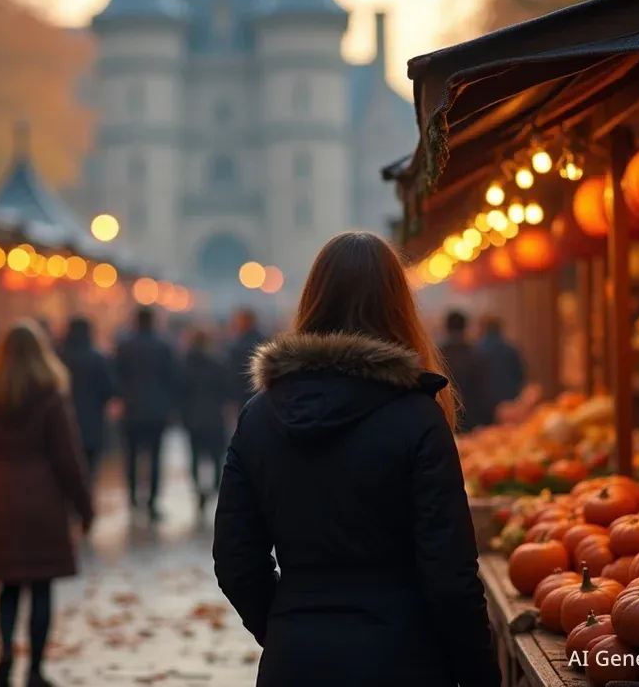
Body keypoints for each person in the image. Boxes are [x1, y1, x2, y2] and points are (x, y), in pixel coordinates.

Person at [213, 232, 500, 687]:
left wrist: (288, 629)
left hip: (296, 662)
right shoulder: (418, 417)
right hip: (404, 660)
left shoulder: (259, 416)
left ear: (312, 300)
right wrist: (481, 675)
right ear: (398, 307)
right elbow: (450, 574)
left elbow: (235, 558)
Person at [0, 321, 92, 687]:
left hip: (0, 495)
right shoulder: (51, 393)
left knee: (7, 585)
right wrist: (84, 507)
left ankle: (5, 651)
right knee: (40, 586)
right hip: (43, 499)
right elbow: (67, 457)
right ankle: (35, 669)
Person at [114, 306, 178, 521]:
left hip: (131, 409)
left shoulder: (124, 346)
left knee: (131, 455)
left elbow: (116, 376)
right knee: (155, 456)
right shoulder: (164, 346)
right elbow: (172, 378)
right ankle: (152, 501)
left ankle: (133, 497)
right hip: (157, 410)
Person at [56, 316, 116, 489]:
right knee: (89, 470)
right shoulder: (96, 358)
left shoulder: (59, 357)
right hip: (91, 423)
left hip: (63, 423)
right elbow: (109, 389)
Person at [180, 328, 234, 515]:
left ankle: (198, 490)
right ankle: (213, 488)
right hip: (214, 417)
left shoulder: (185, 366)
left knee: (195, 457)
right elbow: (228, 391)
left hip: (193, 418)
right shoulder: (218, 364)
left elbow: (180, 393)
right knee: (217, 457)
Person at [440, 309, 497, 431]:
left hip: (445, 420)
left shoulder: (439, 355)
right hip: (473, 421)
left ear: (446, 328)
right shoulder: (475, 355)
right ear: (465, 328)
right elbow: (483, 391)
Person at [476, 316, 526, 405]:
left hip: (484, 402)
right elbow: (520, 377)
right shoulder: (511, 350)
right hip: (509, 400)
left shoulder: (477, 351)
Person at [226, 307, 266, 409]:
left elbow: (234, 372)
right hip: (259, 392)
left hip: (245, 392)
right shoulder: (262, 340)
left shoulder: (240, 344)